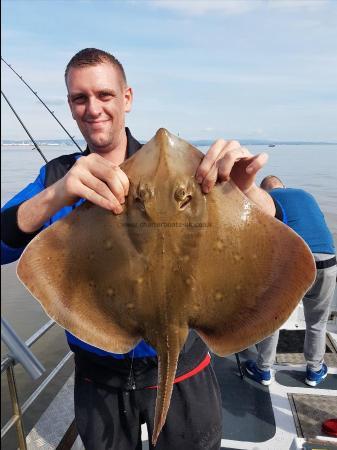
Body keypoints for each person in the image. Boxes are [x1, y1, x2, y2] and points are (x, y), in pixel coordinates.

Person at [1, 48, 277, 450]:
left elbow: (276, 224)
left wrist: (246, 194)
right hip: (100, 379)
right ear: (70, 106)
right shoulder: (58, 175)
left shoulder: (190, 173)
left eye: (104, 95)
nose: (93, 108)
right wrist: (58, 194)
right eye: (81, 98)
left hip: (185, 370)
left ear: (126, 98)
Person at [245, 175, 337, 387]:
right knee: (317, 322)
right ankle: (314, 371)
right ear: (284, 185)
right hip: (328, 261)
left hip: (295, 263)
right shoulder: (306, 195)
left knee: (273, 319)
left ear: (264, 191)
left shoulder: (265, 201)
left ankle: (264, 370)